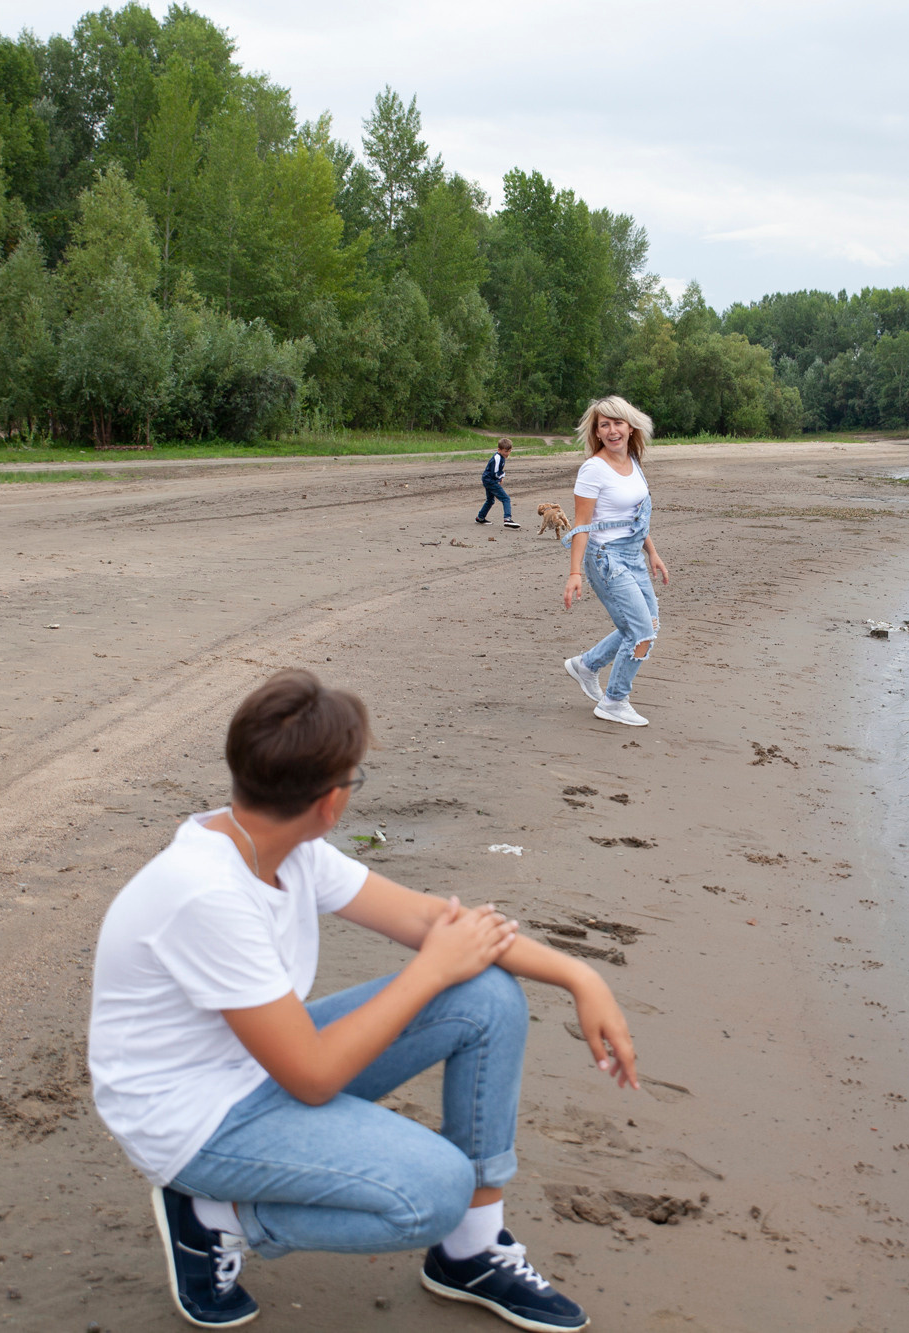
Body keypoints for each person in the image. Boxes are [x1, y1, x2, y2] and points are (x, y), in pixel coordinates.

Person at [89, 670, 638, 1331]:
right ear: (330, 800)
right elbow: (314, 1076)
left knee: (487, 992)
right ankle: (211, 1217)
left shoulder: (281, 844)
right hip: (189, 1118)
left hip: (251, 1062)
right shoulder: (208, 893)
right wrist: (429, 971)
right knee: (434, 1190)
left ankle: (471, 1249)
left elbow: (434, 920)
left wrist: (582, 976)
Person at [560, 397, 668, 728]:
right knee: (640, 631)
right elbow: (582, 525)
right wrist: (575, 572)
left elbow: (633, 516)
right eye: (604, 424)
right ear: (596, 431)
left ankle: (587, 665)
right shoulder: (593, 469)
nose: (612, 430)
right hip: (604, 558)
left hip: (632, 554)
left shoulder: (634, 461)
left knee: (649, 623)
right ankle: (614, 700)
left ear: (630, 425)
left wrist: (652, 551)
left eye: (617, 423)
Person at [476, 438, 519, 528]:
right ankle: (507, 518)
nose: (507, 453)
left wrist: (499, 478)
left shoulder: (501, 457)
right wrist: (501, 476)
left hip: (489, 480)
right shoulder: (497, 458)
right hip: (490, 481)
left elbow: (497, 471)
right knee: (506, 498)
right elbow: (495, 473)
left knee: (490, 500)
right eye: (505, 451)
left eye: (509, 451)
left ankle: (480, 517)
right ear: (499, 450)